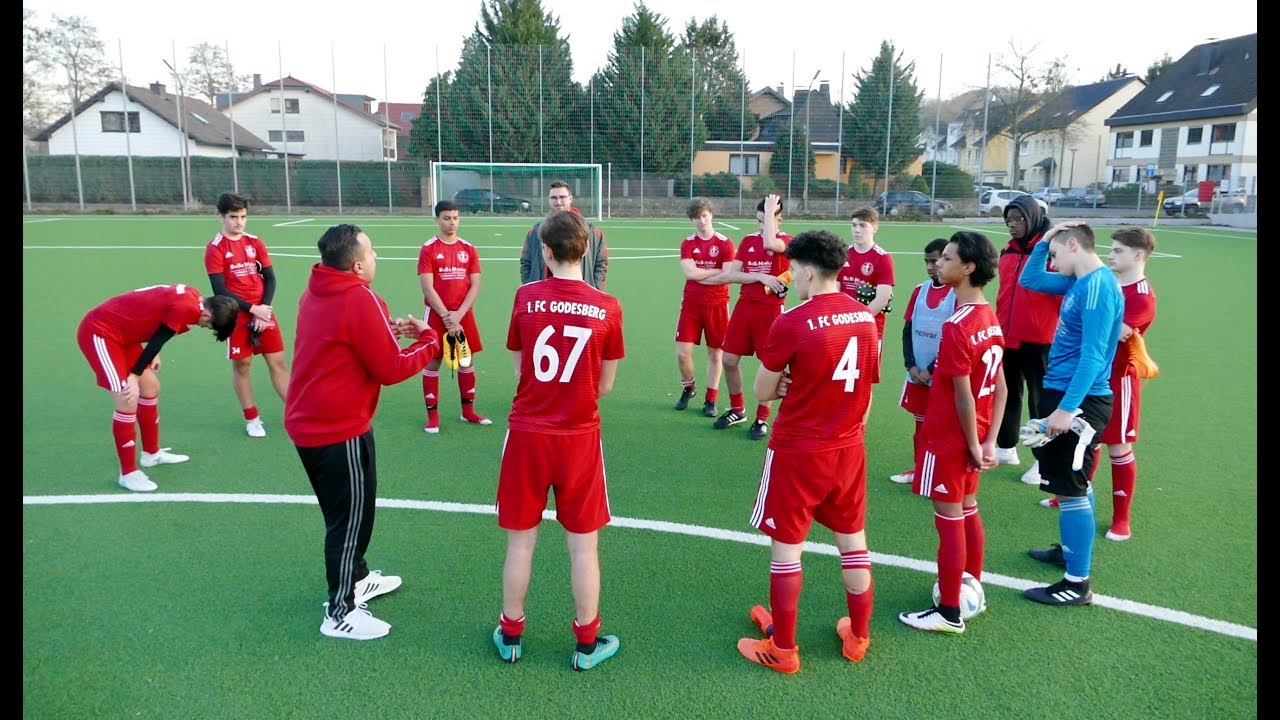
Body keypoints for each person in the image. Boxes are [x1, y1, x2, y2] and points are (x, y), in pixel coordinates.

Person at [284, 224, 439, 640]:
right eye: (371, 252)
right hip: (337, 430)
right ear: (356, 265)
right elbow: (390, 368)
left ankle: (357, 578)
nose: (376, 257)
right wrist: (429, 342)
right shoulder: (359, 297)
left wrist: (385, 329)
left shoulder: (317, 289)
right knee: (349, 522)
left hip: (312, 423)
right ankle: (339, 611)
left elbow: (346, 338)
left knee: (348, 514)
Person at [737, 229, 880, 674]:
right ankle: (858, 635)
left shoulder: (793, 321)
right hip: (848, 446)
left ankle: (783, 647)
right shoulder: (864, 318)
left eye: (793, 267)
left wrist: (779, 384)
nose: (790, 275)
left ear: (809, 271)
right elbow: (867, 391)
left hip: (799, 450)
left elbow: (763, 389)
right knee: (853, 543)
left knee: (787, 548)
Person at [492, 210, 625, 671]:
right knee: (583, 547)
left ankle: (511, 636)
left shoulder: (525, 297)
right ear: (586, 250)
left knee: (520, 544)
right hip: (578, 437)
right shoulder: (607, 306)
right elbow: (605, 385)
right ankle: (586, 644)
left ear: (543, 252)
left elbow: (518, 365)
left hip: (527, 434)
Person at [898, 231, 1007, 634]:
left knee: (948, 519)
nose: (938, 265)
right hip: (975, 435)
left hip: (950, 437)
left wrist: (975, 444)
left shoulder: (958, 325)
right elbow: (1001, 386)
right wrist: (990, 439)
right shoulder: (988, 316)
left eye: (946, 259)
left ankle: (948, 612)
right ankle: (970, 583)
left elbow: (963, 397)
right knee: (968, 509)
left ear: (968, 268)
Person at [1019, 222, 1123, 606]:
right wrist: (1044, 242)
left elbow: (1093, 356)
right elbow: (1030, 280)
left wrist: (1065, 410)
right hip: (1064, 392)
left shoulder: (1096, 286)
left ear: (1074, 245)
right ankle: (1071, 551)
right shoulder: (1079, 281)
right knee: (1073, 481)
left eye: (1057, 254)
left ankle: (1077, 583)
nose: (1053, 261)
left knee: (1071, 484)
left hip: (1079, 400)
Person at [1040, 228, 1157, 542]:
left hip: (1118, 379)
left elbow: (1109, 336)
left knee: (1118, 446)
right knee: (1089, 443)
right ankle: (1070, 490)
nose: (1111, 254)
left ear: (1138, 255)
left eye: (1119, 250)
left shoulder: (1141, 295)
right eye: (1112, 249)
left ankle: (1122, 518)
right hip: (1088, 378)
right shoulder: (1105, 282)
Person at [77, 284, 239, 492]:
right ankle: (128, 474)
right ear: (208, 315)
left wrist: (152, 352)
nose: (204, 327)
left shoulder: (194, 297)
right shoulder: (188, 309)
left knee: (151, 387)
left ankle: (151, 454)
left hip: (124, 334)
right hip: (101, 333)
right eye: (208, 326)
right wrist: (133, 376)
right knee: (127, 396)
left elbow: (153, 318)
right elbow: (162, 331)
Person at [203, 192, 290, 438]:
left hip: (263, 311)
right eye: (233, 217)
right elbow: (219, 290)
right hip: (236, 314)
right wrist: (253, 310)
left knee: (278, 363)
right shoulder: (215, 248)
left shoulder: (255, 242)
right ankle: (252, 418)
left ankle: (297, 413)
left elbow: (270, 278)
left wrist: (264, 311)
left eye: (243, 216)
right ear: (220, 216)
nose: (239, 222)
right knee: (243, 366)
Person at [994, 195, 1062, 484]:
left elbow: (1061, 296)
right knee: (1006, 394)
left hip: (1039, 338)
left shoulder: (1050, 252)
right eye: (1009, 219)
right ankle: (1006, 447)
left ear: (1033, 218)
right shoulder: (1007, 252)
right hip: (1007, 336)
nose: (1012, 224)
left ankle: (1043, 461)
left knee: (1039, 400)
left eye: (1019, 219)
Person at [713, 194, 791, 440]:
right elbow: (732, 275)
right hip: (745, 307)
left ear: (779, 219)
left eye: (765, 220)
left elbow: (770, 243)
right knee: (728, 360)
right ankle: (738, 409)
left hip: (770, 310)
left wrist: (770, 212)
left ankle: (762, 417)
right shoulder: (747, 241)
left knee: (768, 365)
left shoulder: (787, 241)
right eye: (758, 220)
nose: (760, 226)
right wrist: (760, 276)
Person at [417, 199, 491, 432]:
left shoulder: (468, 249)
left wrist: (458, 314)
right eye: (447, 218)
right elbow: (428, 287)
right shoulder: (428, 248)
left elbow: (475, 284)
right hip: (436, 315)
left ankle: (468, 412)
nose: (452, 222)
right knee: (434, 361)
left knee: (466, 361)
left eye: (456, 217)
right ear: (436, 220)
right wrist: (446, 316)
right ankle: (433, 417)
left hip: (463, 314)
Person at [890, 238, 957, 484]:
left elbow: (953, 339)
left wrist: (931, 369)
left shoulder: (956, 294)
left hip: (941, 375)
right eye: (927, 261)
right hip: (917, 374)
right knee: (920, 426)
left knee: (942, 427)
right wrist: (911, 366)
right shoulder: (920, 290)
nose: (931, 266)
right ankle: (920, 470)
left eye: (936, 260)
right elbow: (908, 329)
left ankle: (942, 473)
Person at [673, 197, 736, 417]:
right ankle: (689, 388)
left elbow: (727, 276)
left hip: (718, 305)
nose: (701, 221)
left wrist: (701, 274)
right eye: (696, 218)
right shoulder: (688, 243)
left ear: (711, 214)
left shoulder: (725, 243)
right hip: (691, 304)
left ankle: (711, 399)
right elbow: (689, 273)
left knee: (715, 353)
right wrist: (713, 273)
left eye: (704, 216)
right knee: (682, 353)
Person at [837, 207, 895, 388]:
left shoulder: (883, 258)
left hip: (870, 328)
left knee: (864, 382)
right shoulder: (843, 254)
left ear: (874, 227)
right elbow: (835, 290)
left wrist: (858, 320)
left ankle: (860, 418)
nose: (856, 230)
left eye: (862, 225)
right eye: (853, 225)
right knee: (838, 377)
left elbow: (883, 297)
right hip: (842, 326)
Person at [520, 180, 608, 290]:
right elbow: (526, 262)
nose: (558, 201)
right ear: (549, 200)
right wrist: (529, 286)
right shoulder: (536, 231)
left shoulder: (592, 232)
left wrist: (595, 288)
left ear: (570, 199)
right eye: (554, 198)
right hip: (543, 295)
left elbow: (601, 263)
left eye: (562, 197)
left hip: (580, 296)